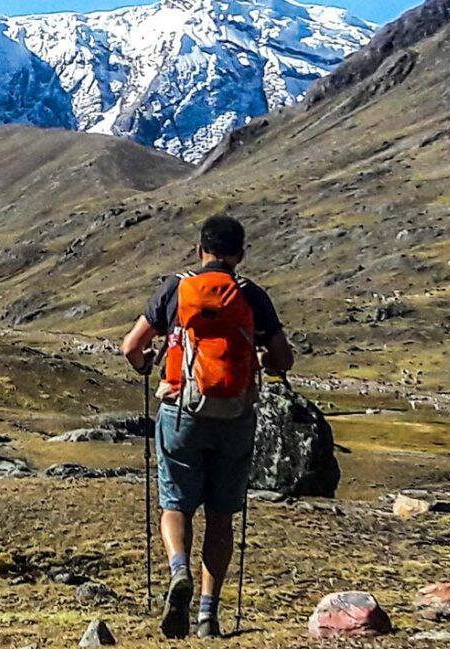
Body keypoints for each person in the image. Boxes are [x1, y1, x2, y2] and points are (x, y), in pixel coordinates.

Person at [120, 214, 293, 639]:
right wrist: (265, 363)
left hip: (182, 411)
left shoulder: (177, 289)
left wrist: (147, 366)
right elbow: (282, 358)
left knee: (175, 503)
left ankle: (178, 569)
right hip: (234, 415)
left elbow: (131, 346)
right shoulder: (252, 296)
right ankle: (207, 615)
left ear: (201, 250)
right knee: (221, 516)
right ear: (240, 254)